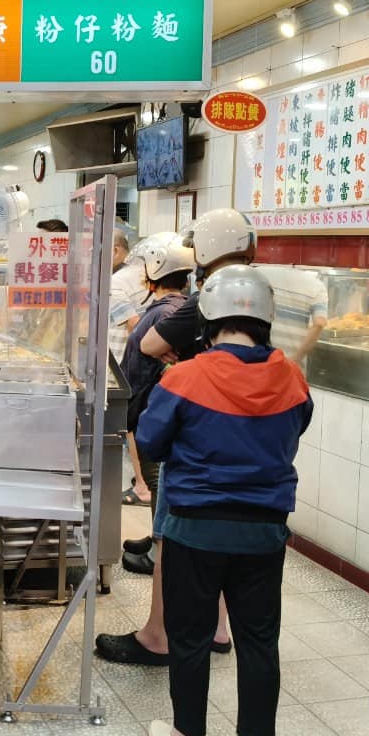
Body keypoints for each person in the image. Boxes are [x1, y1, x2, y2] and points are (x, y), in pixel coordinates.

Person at [141, 265, 311, 736]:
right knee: (259, 639)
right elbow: (296, 429)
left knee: (190, 635)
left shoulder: (185, 376)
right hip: (264, 531)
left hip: (194, 529)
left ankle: (184, 735)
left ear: (209, 317)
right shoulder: (292, 376)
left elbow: (152, 444)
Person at [98, 208, 259, 667]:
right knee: (227, 533)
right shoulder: (260, 289)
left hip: (199, 425)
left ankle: (157, 637)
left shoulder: (206, 295)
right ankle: (220, 630)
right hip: (250, 431)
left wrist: (182, 366)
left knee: (170, 534)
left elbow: (149, 346)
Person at [118, 234, 194, 574]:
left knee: (156, 478)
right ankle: (155, 538)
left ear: (152, 276)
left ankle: (158, 553)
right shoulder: (174, 310)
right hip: (151, 407)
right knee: (156, 478)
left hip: (153, 409)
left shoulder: (165, 311)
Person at [255, 266, 328, 369]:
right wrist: (296, 359)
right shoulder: (316, 284)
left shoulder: (257, 273)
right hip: (293, 365)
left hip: (260, 361)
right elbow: (319, 323)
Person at [109, 231, 147, 364]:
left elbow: (135, 325)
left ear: (115, 251)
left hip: (121, 364)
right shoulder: (141, 272)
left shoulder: (116, 281)